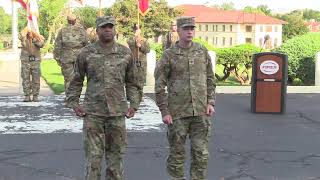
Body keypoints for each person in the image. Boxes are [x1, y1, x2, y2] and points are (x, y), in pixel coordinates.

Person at [66, 16, 142, 180]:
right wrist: (74, 102)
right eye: (103, 27)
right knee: (93, 160)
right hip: (93, 114)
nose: (108, 30)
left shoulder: (125, 53)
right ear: (97, 30)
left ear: (115, 30)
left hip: (117, 114)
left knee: (116, 160)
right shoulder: (86, 53)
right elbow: (76, 79)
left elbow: (133, 82)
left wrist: (134, 104)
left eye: (110, 27)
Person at [154, 16, 216, 180]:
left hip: (200, 113)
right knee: (177, 156)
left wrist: (210, 102)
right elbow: (159, 85)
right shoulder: (169, 55)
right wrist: (164, 111)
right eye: (186, 29)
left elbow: (210, 78)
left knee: (201, 154)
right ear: (178, 30)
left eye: (192, 29)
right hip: (177, 114)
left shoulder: (201, 51)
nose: (190, 32)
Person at [53, 14, 89, 102]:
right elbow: (87, 44)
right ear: (75, 20)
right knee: (79, 78)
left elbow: (58, 45)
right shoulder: (81, 31)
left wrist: (57, 57)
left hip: (66, 56)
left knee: (68, 78)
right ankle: (76, 98)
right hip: (79, 56)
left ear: (67, 21)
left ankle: (69, 98)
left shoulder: (62, 31)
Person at [18, 27, 45, 102]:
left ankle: (35, 95)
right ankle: (27, 96)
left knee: (36, 79)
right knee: (25, 79)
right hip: (25, 61)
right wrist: (25, 29)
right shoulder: (24, 38)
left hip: (35, 61)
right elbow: (20, 36)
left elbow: (41, 44)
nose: (29, 33)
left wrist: (34, 38)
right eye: (28, 31)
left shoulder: (39, 37)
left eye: (31, 31)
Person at [127, 24, 150, 100]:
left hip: (142, 63)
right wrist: (135, 39)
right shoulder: (130, 39)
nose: (137, 31)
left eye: (138, 29)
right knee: (132, 78)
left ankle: (140, 96)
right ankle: (131, 96)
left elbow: (148, 50)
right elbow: (129, 45)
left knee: (141, 79)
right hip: (133, 61)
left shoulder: (144, 40)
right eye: (135, 29)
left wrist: (141, 46)